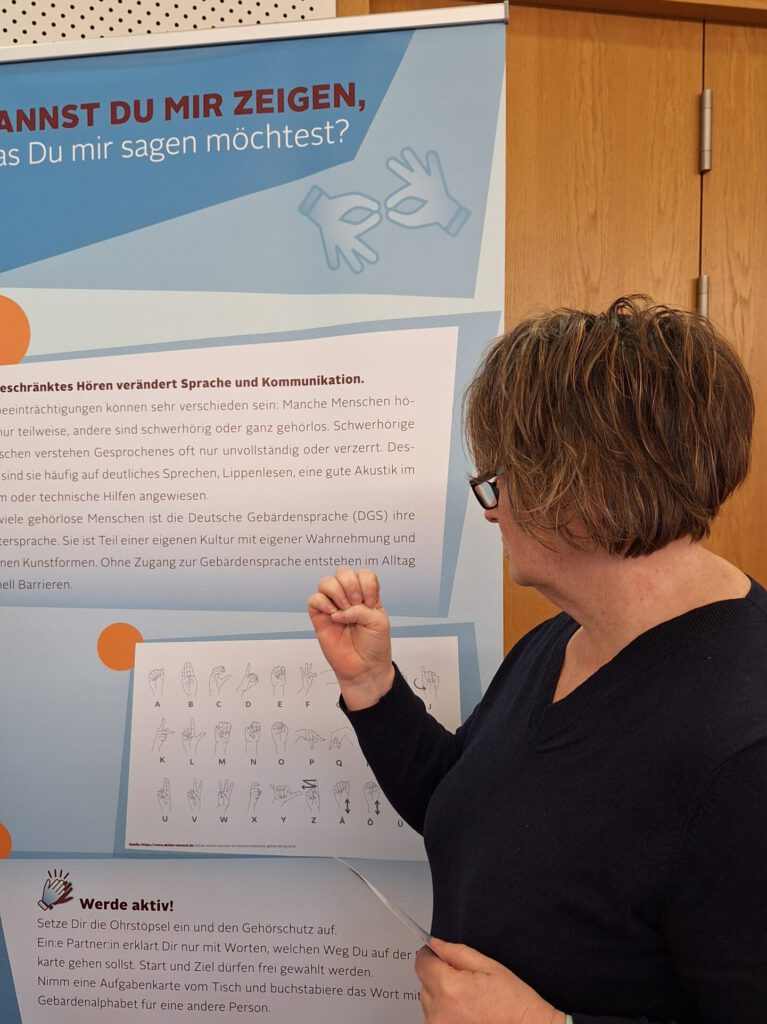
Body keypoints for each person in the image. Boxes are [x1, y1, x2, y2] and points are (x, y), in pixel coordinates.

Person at [307, 297, 767, 1024]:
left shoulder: (744, 747)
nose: (492, 509)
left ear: (585, 486)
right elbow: (466, 810)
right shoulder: (562, 639)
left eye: (502, 479)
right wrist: (372, 686)